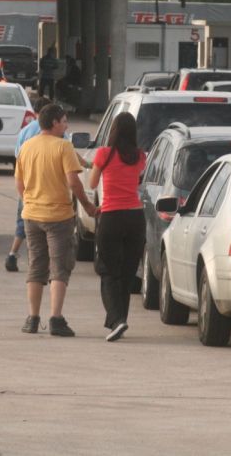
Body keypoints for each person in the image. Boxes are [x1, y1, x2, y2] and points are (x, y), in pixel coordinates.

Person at [14, 103, 97, 337]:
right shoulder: (63, 147)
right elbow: (73, 182)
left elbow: (19, 182)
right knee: (60, 268)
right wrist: (87, 205)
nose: (66, 126)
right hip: (59, 217)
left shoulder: (27, 147)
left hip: (31, 216)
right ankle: (56, 319)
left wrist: (29, 201)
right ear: (54, 123)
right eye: (64, 121)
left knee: (36, 266)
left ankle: (32, 318)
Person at [88, 112, 146, 342]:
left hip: (111, 216)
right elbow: (138, 181)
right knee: (127, 272)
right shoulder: (140, 156)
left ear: (113, 130)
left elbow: (92, 182)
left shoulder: (104, 154)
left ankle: (116, 320)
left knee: (108, 270)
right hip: (135, 217)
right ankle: (121, 319)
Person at [6, 97, 53, 273]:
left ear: (35, 112)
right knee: (51, 224)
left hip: (26, 183)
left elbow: (18, 157)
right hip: (48, 184)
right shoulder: (54, 130)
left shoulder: (25, 131)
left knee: (24, 221)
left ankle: (12, 254)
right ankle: (47, 262)